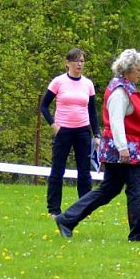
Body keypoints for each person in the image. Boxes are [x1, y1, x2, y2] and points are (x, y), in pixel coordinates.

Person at [54, 48, 140, 243]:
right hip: (123, 152)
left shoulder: (126, 87)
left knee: (107, 190)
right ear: (128, 69)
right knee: (137, 190)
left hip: (125, 148)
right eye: (138, 69)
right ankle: (138, 234)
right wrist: (123, 149)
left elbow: (131, 122)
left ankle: (66, 219)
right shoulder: (120, 91)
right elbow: (116, 122)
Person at [40, 48, 100, 217]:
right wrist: (53, 124)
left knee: (84, 171)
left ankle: (84, 209)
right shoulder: (58, 82)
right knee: (58, 170)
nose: (79, 64)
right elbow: (43, 106)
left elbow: (92, 111)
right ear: (67, 63)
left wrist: (97, 134)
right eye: (76, 61)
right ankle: (54, 210)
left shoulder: (88, 84)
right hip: (63, 131)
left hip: (82, 131)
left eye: (82, 61)